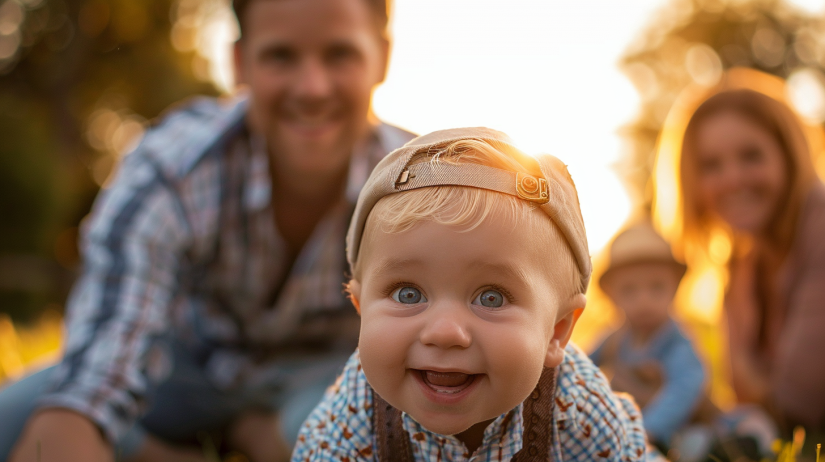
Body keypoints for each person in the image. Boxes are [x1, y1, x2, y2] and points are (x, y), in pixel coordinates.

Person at [1, 0, 415, 461]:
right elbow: (99, 369)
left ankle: (263, 437)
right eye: (280, 56)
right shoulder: (173, 165)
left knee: (372, 437)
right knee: (14, 418)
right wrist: (74, 422)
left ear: (381, 57)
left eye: (339, 54)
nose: (312, 88)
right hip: (185, 372)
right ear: (240, 62)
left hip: (322, 381)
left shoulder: (419, 187)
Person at [291, 127, 651, 461]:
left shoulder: (580, 411)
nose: (445, 332)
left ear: (557, 331)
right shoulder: (352, 414)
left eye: (491, 297)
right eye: (407, 294)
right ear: (361, 309)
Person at [676, 88, 825, 451]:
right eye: (711, 165)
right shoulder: (740, 264)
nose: (732, 180)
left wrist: (690, 401)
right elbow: (748, 402)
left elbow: (797, 404)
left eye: (751, 156)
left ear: (788, 156)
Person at [590, 224, 705, 451]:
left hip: (671, 429)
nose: (644, 301)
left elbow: (684, 390)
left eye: (656, 287)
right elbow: (581, 365)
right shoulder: (615, 338)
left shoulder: (677, 342)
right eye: (629, 290)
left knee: (695, 444)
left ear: (674, 288)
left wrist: (647, 430)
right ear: (612, 295)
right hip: (627, 426)